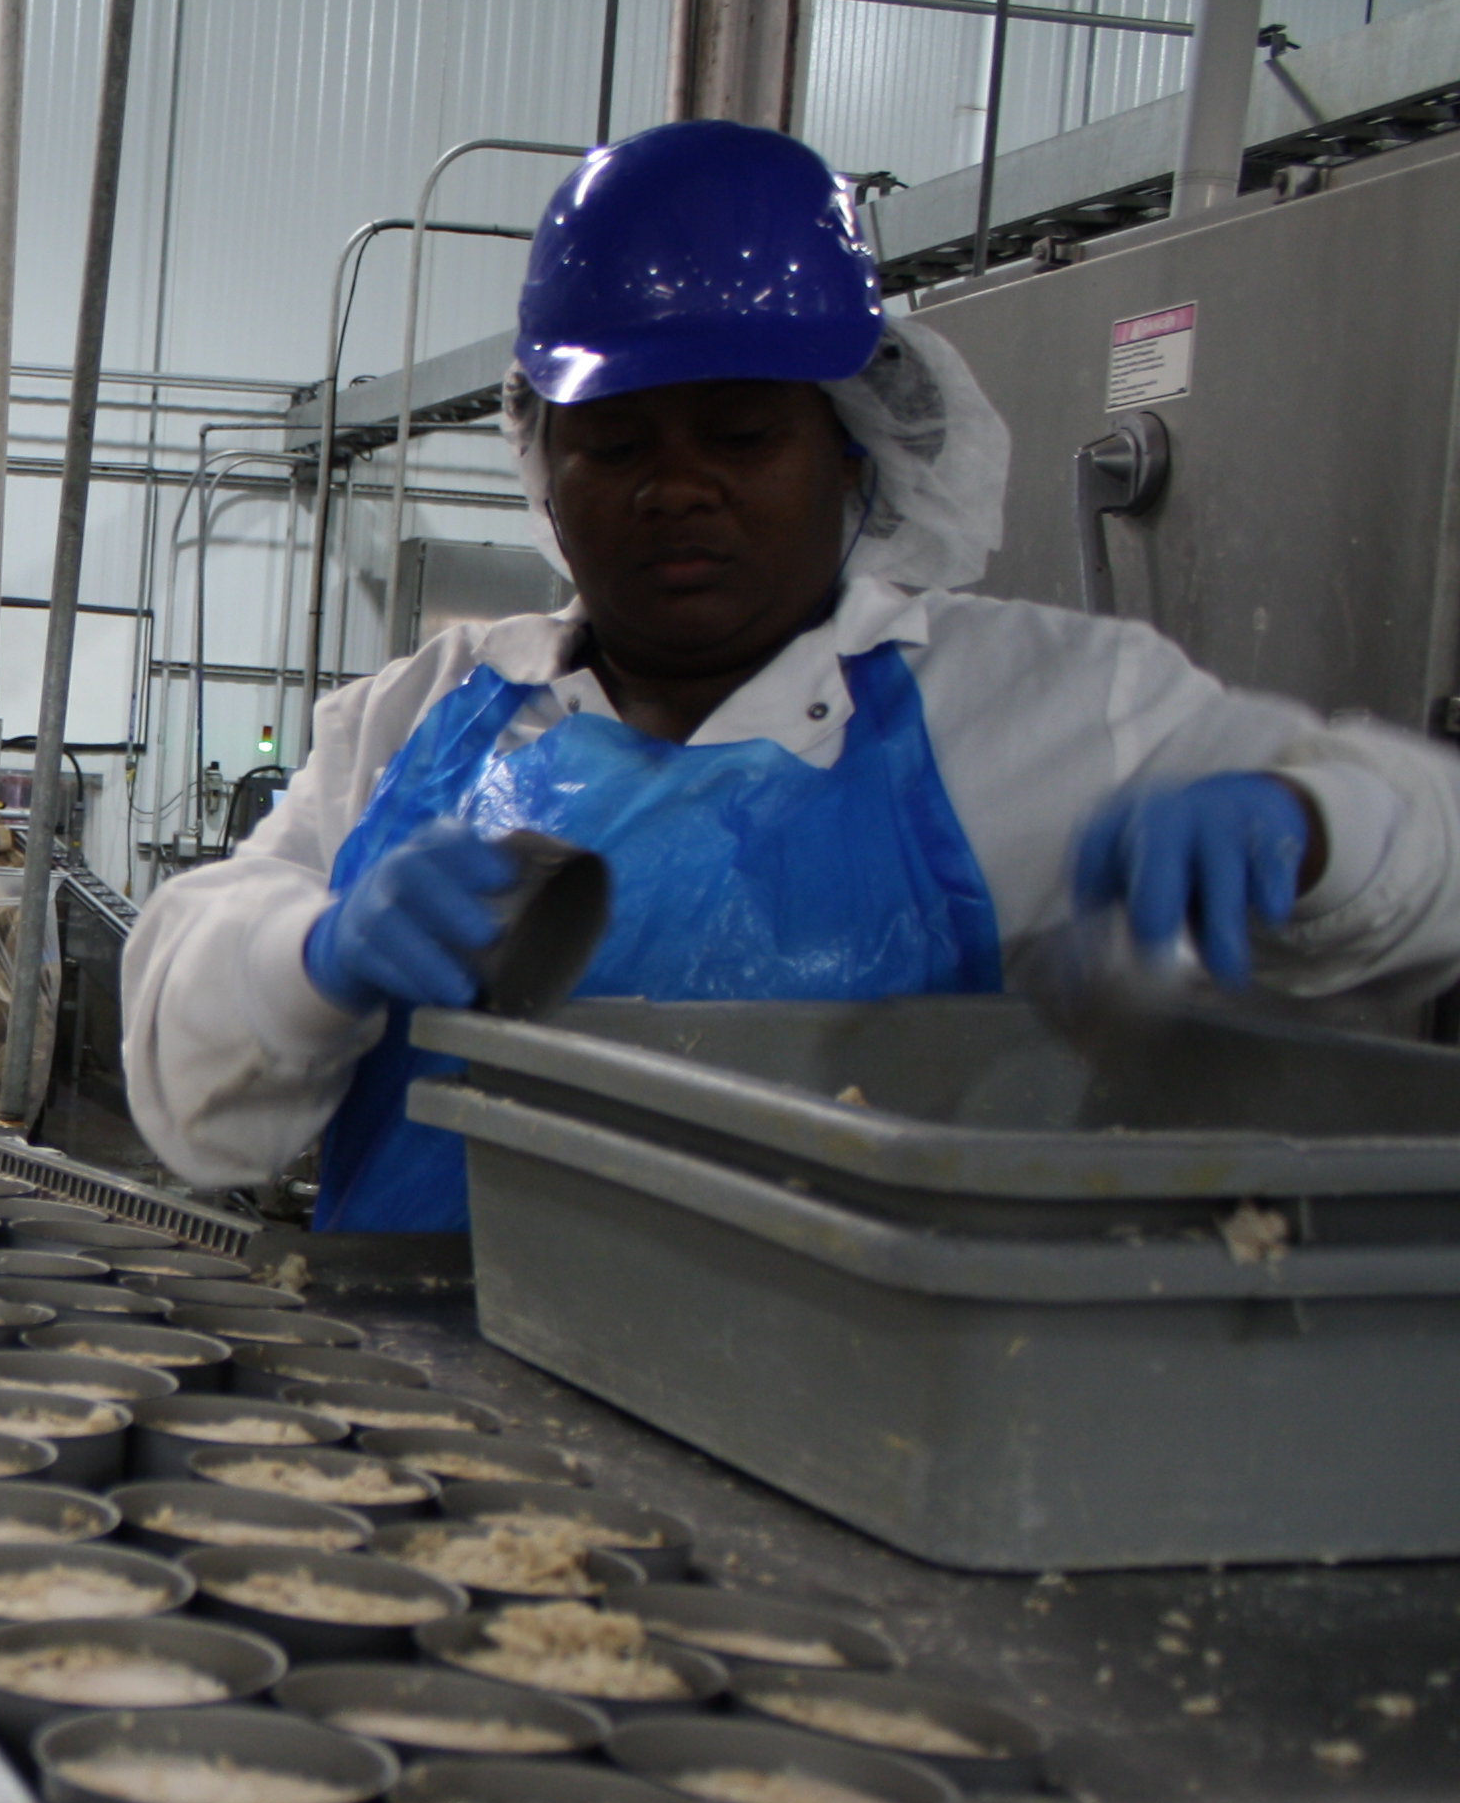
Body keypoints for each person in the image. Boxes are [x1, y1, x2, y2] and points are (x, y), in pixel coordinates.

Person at [120, 118, 1460, 1230]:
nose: (677, 489)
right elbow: (192, 1092)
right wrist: (314, 953)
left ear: (855, 445)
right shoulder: (423, 721)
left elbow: (1434, 852)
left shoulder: (1044, 714)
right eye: (617, 442)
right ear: (542, 464)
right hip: (426, 1435)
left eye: (743, 433)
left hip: (846, 1462)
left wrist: (1313, 826)